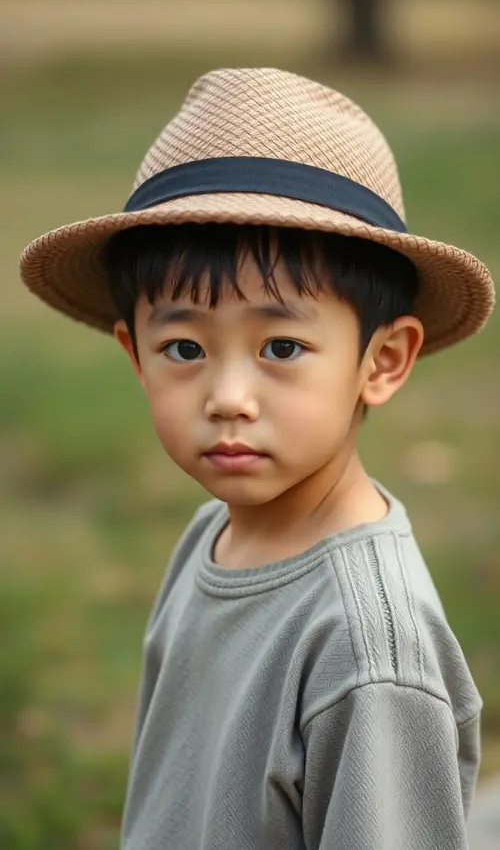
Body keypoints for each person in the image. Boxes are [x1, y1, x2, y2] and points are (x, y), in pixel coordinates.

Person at [20, 68, 495, 850]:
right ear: (134, 354)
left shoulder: (370, 651)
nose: (228, 395)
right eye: (183, 347)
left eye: (281, 346)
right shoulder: (212, 535)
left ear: (382, 359)